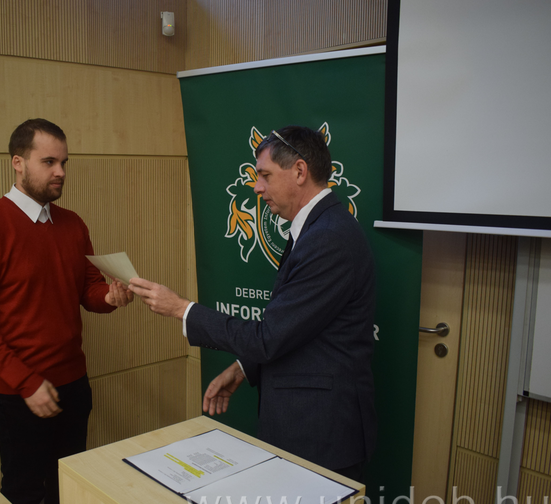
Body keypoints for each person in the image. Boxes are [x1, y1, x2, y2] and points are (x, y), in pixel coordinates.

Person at [129, 126, 376, 482]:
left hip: (321, 434)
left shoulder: (328, 238)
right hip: (308, 428)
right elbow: (302, 329)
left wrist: (182, 308)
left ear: (300, 171)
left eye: (265, 175)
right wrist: (244, 367)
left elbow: (269, 337)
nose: (257, 187)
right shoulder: (318, 227)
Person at [0, 118, 133, 504]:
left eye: (64, 162)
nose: (61, 172)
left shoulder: (73, 224)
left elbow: (87, 289)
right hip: (18, 392)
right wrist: (26, 382)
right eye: (49, 162)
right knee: (23, 492)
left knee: (69, 488)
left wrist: (109, 298)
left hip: (73, 384)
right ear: (17, 162)